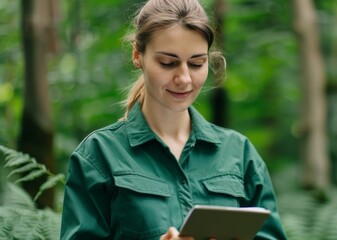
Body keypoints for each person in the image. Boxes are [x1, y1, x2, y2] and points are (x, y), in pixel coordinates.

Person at [60, 0, 287, 239]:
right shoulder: (98, 156)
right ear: (138, 55)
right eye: (168, 63)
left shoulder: (240, 154)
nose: (184, 78)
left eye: (197, 63)